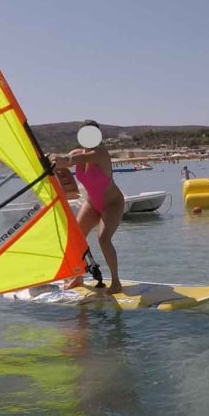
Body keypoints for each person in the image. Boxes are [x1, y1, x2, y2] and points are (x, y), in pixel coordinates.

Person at [53, 120, 124, 294]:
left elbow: (73, 160)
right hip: (92, 203)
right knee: (76, 238)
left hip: (112, 204)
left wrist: (64, 160)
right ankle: (78, 276)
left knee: (103, 239)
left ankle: (116, 282)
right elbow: (65, 162)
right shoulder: (77, 152)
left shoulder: (100, 153)